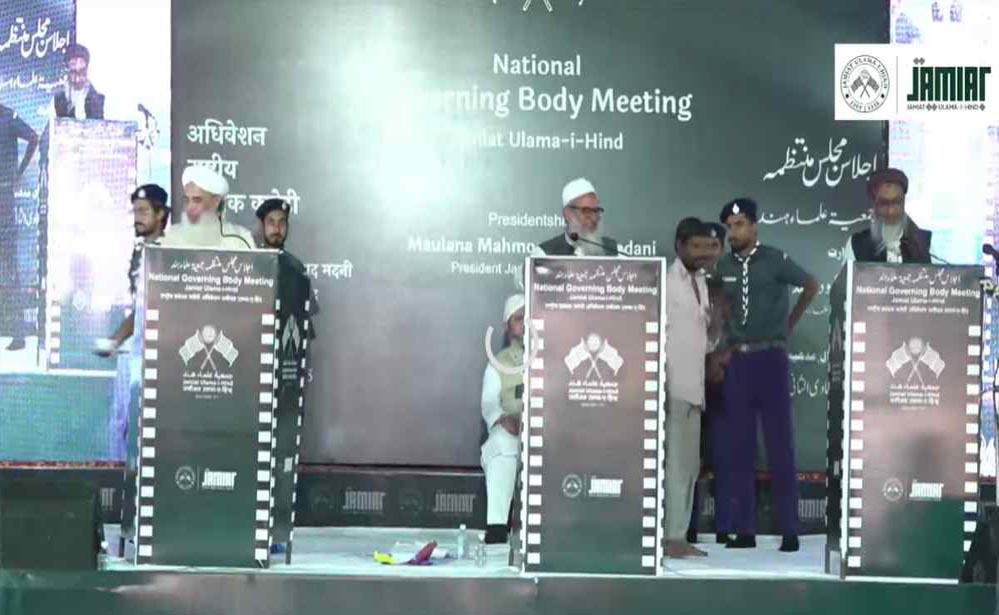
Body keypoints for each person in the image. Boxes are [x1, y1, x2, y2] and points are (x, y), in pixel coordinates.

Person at [713, 198, 819, 552]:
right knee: (740, 448)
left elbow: (811, 285)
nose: (733, 232)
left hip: (771, 359)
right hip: (738, 363)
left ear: (754, 226)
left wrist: (788, 326)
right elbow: (719, 306)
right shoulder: (722, 266)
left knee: (780, 445)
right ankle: (744, 530)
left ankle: (790, 529)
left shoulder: (775, 259)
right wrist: (724, 342)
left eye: (740, 224)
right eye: (729, 226)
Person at [94, 184, 168, 545]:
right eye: (135, 211)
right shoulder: (139, 252)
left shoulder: (169, 255)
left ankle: (147, 518)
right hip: (133, 357)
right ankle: (123, 518)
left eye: (143, 212)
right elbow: (137, 311)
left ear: (161, 214)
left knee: (146, 438)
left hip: (157, 360)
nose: (137, 218)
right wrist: (115, 341)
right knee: (121, 432)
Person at [663, 218, 715, 558]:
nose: (701, 253)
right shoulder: (667, 283)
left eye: (704, 246)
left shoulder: (701, 281)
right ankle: (671, 537)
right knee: (676, 467)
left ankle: (678, 536)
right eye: (694, 246)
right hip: (673, 386)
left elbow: (702, 337)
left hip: (696, 387)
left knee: (690, 468)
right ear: (679, 246)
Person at [687, 221, 730, 545]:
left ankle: (726, 524)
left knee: (726, 455)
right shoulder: (683, 283)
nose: (708, 253)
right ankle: (687, 526)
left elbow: (744, 331)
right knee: (690, 456)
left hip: (726, 382)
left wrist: (723, 360)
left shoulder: (733, 285)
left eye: (714, 246)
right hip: (690, 380)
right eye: (702, 246)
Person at [480, 294, 526, 545]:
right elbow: (489, 404)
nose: (525, 324)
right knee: (501, 444)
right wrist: (504, 419)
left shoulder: (552, 358)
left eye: (529, 318)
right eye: (519, 319)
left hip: (547, 432)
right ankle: (497, 527)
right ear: (507, 326)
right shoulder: (498, 363)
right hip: (512, 432)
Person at [0, 104, 38, 351]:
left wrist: (18, 172)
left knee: (10, 265)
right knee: (9, 265)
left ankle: (19, 333)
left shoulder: (7, 115)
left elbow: (34, 137)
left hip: (3, 197)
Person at [255, 197, 320, 339]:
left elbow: (305, 318)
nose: (277, 229)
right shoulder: (250, 263)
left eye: (282, 223)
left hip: (287, 344)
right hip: (254, 340)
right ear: (262, 226)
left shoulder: (296, 266)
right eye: (271, 222)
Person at [843, 167, 931, 264]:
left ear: (904, 202)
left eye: (896, 202)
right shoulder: (856, 245)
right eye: (883, 204)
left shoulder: (926, 243)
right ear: (874, 205)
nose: (890, 212)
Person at [160, 166, 254, 249]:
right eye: (187, 200)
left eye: (197, 200)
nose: (189, 207)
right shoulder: (170, 238)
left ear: (216, 201)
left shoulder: (240, 239)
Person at [534, 178, 618, 256]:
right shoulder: (544, 254)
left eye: (596, 211)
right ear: (568, 214)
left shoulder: (615, 250)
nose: (593, 218)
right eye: (586, 211)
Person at [52, 44, 105, 120]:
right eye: (73, 72)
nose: (77, 79)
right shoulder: (59, 99)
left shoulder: (98, 100)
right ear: (67, 71)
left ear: (87, 70)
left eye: (81, 72)